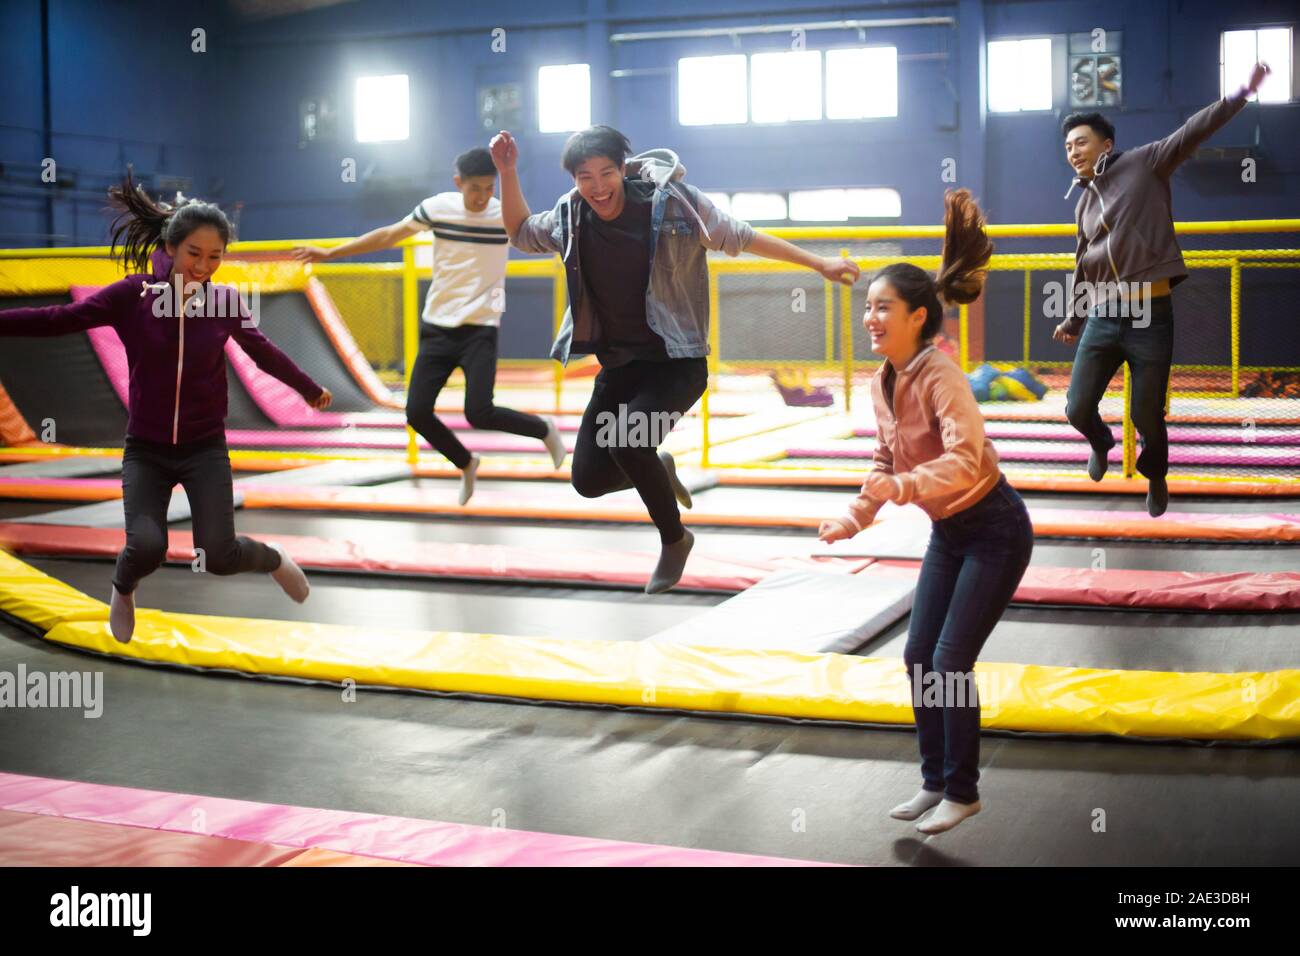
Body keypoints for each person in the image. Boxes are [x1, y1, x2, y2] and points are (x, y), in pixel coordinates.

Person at [492, 125, 860, 593]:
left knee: (627, 441)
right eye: (586, 177)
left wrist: (819, 263)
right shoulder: (571, 216)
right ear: (574, 180)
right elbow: (522, 233)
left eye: (607, 173)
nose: (599, 187)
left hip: (676, 364)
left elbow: (741, 236)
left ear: (623, 169)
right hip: (620, 368)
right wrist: (507, 171)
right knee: (587, 480)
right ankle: (659, 467)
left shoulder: (674, 205)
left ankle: (674, 538)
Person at [0, 172, 330, 643]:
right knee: (147, 546)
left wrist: (307, 387)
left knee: (219, 556)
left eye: (215, 257)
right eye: (194, 253)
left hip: (204, 449)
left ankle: (274, 558)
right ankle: (123, 588)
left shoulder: (222, 302)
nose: (203, 265)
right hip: (147, 450)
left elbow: (263, 352)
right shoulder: (131, 298)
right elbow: (58, 319)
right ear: (172, 248)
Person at [819, 189, 1032, 835]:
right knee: (917, 656)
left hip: (993, 528)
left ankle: (962, 791)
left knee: (949, 659)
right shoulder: (882, 381)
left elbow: (967, 460)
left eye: (883, 307)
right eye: (868, 308)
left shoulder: (944, 376)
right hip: (949, 531)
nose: (871, 318)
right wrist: (854, 518)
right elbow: (884, 462)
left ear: (918, 316)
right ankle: (934, 780)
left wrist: (904, 487)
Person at [1053, 62, 1271, 516]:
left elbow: (1195, 129)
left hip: (1150, 317)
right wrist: (1074, 317)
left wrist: (1241, 94)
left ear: (1106, 144)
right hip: (1103, 317)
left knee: (1147, 415)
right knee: (1076, 407)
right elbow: (1083, 263)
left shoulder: (1146, 163)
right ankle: (1101, 441)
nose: (1074, 152)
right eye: (1068, 147)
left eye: (1082, 143)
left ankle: (1155, 475)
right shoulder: (1084, 204)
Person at [293, 148, 565, 505]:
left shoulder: (502, 216)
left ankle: (543, 428)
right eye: (475, 189)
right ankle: (466, 462)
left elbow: (534, 234)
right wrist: (331, 253)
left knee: (479, 412)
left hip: (481, 328)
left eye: (489, 188)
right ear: (458, 184)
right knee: (417, 413)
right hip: (438, 328)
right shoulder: (438, 207)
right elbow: (390, 235)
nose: (482, 197)